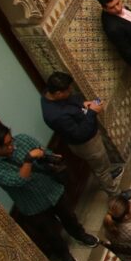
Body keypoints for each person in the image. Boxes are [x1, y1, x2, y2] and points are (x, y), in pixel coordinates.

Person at [0, 124, 99, 261]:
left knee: (69, 216)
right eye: (6, 145)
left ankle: (80, 235)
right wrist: (29, 159)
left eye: (11, 141)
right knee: (51, 234)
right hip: (32, 206)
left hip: (51, 189)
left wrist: (48, 157)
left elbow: (47, 153)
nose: (12, 146)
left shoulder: (22, 140)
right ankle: (64, 254)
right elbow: (19, 180)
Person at [41, 71, 126, 199]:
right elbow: (80, 134)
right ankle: (117, 196)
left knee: (102, 164)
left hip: (90, 136)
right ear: (58, 93)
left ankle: (109, 174)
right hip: (87, 144)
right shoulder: (56, 116)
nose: (71, 91)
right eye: (68, 90)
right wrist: (91, 112)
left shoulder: (50, 94)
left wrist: (83, 104)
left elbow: (71, 102)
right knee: (101, 170)